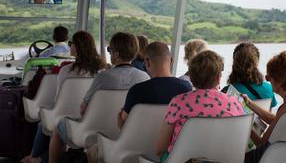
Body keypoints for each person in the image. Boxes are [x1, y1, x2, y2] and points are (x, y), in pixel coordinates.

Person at [48, 32, 150, 163]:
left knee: (58, 128)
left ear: (117, 54)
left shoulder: (104, 77)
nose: (109, 53)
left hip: (93, 131)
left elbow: (83, 109)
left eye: (110, 50)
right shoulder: (144, 78)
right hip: (126, 133)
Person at [87, 41, 192, 163]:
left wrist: (119, 118)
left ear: (147, 62)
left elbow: (123, 125)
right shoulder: (186, 89)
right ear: (171, 61)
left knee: (93, 151)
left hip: (132, 152)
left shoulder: (137, 90)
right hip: (169, 153)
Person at [21, 31, 106, 163]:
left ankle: (34, 157)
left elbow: (59, 99)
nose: (70, 46)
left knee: (44, 125)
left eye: (71, 43)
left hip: (68, 117)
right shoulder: (101, 71)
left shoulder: (66, 71)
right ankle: (36, 158)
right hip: (93, 118)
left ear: (77, 47)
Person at [156, 50, 244, 162]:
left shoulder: (178, 102)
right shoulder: (234, 103)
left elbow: (159, 149)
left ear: (191, 77)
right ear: (218, 77)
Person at [222, 42, 277, 109]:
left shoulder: (226, 92)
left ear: (234, 62)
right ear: (256, 62)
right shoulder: (268, 88)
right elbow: (268, 116)